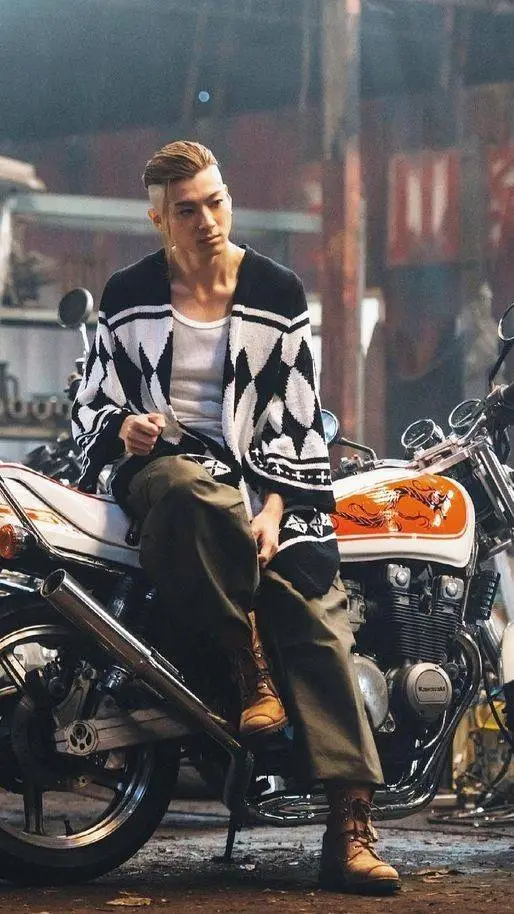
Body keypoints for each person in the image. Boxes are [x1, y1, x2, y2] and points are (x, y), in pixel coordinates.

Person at [71, 141, 400, 895]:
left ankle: (350, 824)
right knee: (187, 490)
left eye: (216, 201)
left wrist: (278, 506)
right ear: (158, 219)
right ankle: (246, 658)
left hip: (263, 486)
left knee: (312, 611)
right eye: (187, 209)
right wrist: (124, 427)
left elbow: (299, 420)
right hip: (165, 474)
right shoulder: (127, 293)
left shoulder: (277, 291)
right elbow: (92, 400)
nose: (208, 220)